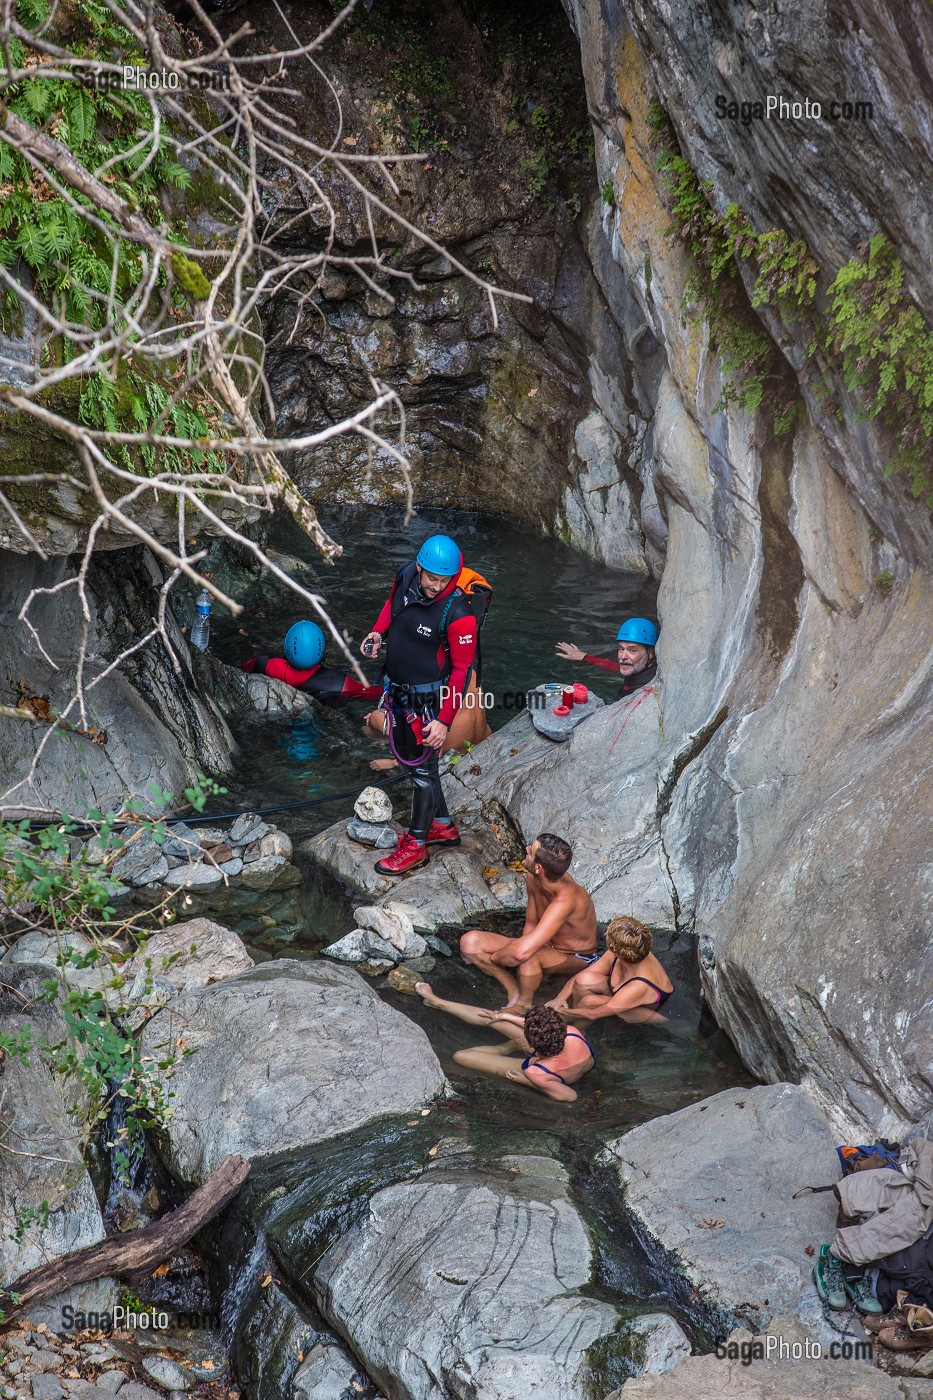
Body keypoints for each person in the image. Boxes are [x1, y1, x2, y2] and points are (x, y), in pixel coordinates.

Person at [361, 533, 478, 876]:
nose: (436, 586)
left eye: (445, 580)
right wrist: (378, 632)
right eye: (431, 577)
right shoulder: (406, 575)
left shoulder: (459, 614)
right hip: (399, 690)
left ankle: (416, 846)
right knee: (420, 769)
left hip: (427, 702)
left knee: (423, 775)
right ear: (420, 568)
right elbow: (392, 606)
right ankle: (442, 825)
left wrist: (443, 720)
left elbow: (460, 671)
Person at [459, 833, 597, 1010]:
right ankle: (512, 988)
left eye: (530, 851)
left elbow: (521, 953)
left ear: (539, 867)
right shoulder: (534, 877)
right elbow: (531, 924)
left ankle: (523, 1003)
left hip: (578, 958)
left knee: (528, 955)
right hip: (545, 946)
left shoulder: (567, 899)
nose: (526, 849)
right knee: (469, 943)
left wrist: (495, 958)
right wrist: (515, 954)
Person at [414, 985, 595, 1103]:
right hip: (553, 1054)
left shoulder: (535, 1072)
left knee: (460, 1056)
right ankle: (439, 1002)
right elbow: (545, 1029)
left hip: (546, 1070)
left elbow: (570, 1096)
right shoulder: (571, 1033)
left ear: (531, 1045)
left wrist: (525, 1080)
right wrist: (504, 1016)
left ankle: (506, 1048)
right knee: (494, 1019)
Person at [547, 915, 673, 1025]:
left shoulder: (639, 985)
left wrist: (555, 1012)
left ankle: (578, 1031)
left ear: (613, 948)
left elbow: (593, 1014)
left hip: (643, 1009)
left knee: (589, 1002)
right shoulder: (625, 950)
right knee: (583, 980)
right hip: (621, 994)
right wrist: (559, 998)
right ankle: (578, 1020)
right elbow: (583, 975)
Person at [363, 669, 492, 773]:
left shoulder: (433, 678)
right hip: (483, 738)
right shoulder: (469, 670)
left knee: (373, 719)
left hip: (447, 754)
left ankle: (397, 762)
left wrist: (394, 762)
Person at [243, 620, 382, 701]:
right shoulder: (339, 683)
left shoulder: (263, 663)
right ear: (322, 651)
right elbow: (372, 693)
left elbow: (244, 667)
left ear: (287, 646)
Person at [555, 618, 659, 699]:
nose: (623, 657)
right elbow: (616, 667)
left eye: (632, 650)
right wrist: (585, 657)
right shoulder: (643, 670)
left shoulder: (644, 690)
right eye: (621, 649)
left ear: (650, 654)